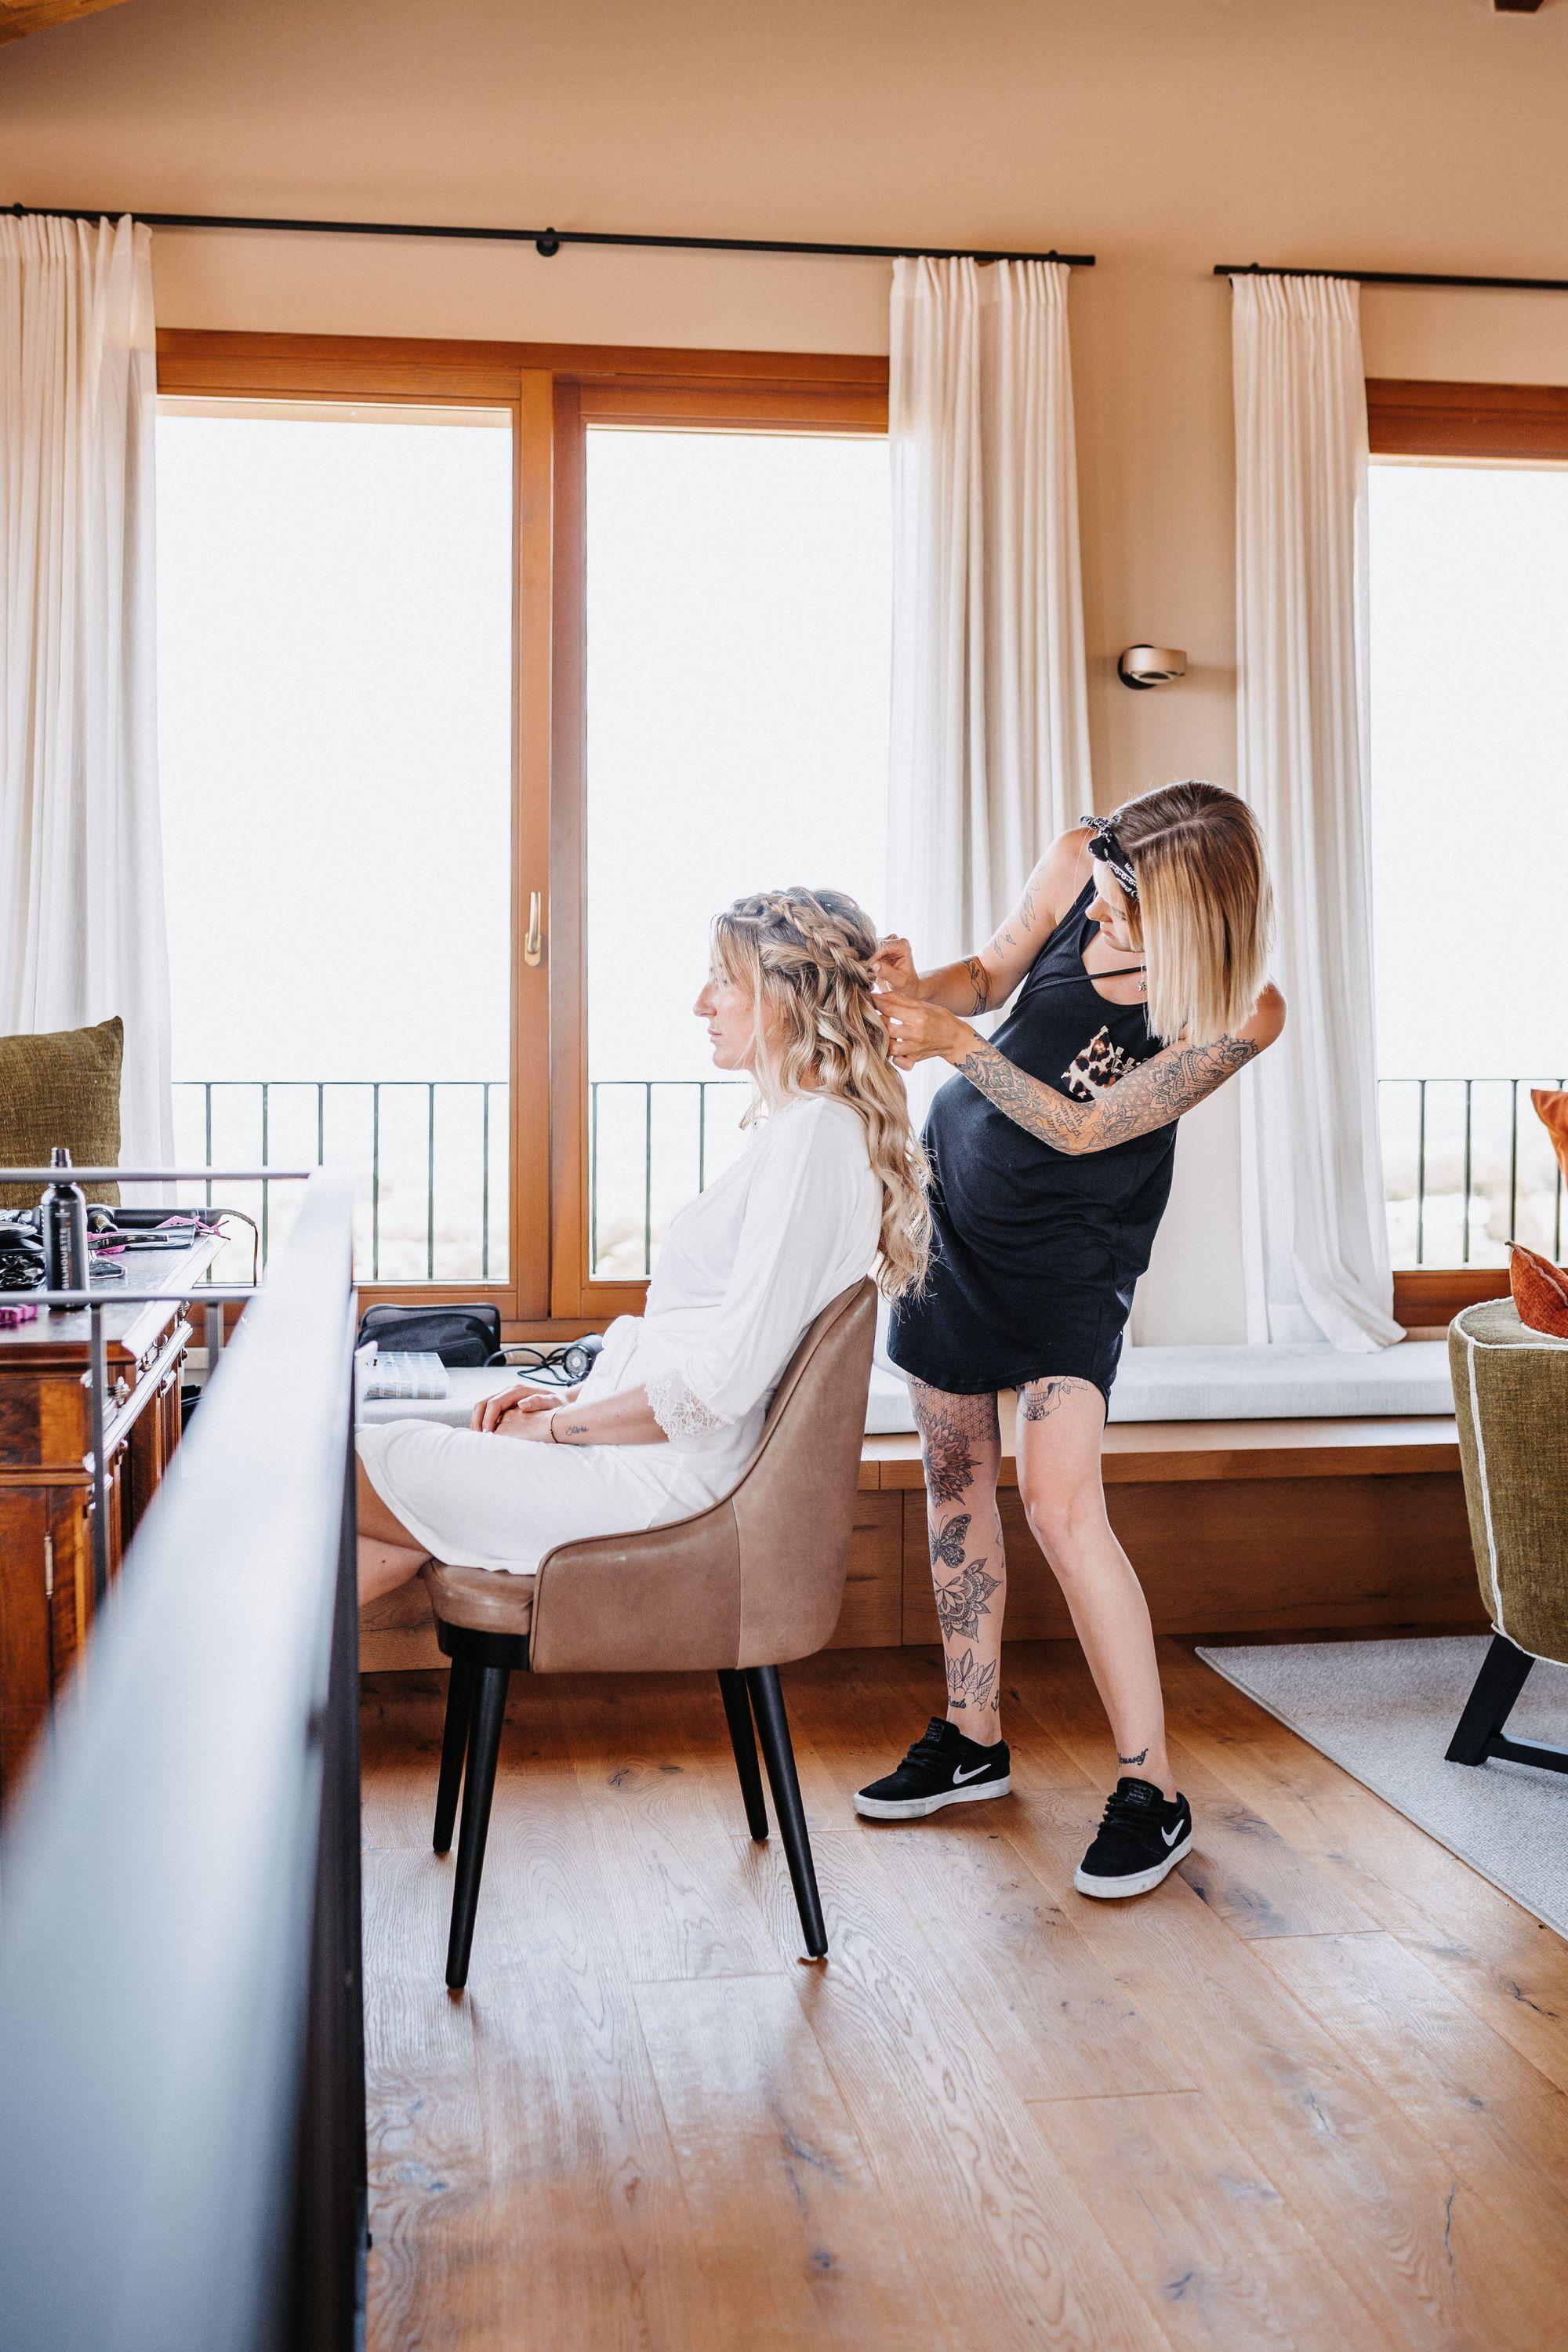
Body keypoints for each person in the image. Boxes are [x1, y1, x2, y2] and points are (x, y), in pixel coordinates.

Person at [856, 781, 1283, 1901]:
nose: (1091, 919)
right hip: (952, 1226)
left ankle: (1154, 1788)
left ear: (1192, 923)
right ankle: (972, 1735)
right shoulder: (1078, 860)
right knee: (955, 1482)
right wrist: (919, 989)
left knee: (1059, 1507)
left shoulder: (1242, 1012)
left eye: (1118, 913)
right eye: (1094, 895)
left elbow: (1088, 1127)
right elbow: (990, 975)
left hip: (1073, 1261)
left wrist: (951, 1044)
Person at [356, 887, 931, 1606]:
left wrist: (562, 1429)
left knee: (340, 1465)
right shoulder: (802, 1134)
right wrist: (568, 1396)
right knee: (380, 1526)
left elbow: (723, 1384)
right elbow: (701, 1345)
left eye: (723, 981)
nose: (702, 1003)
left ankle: (225, 1706)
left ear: (783, 999)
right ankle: (264, 1714)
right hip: (648, 1462)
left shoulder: (815, 1139)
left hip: (656, 1487)